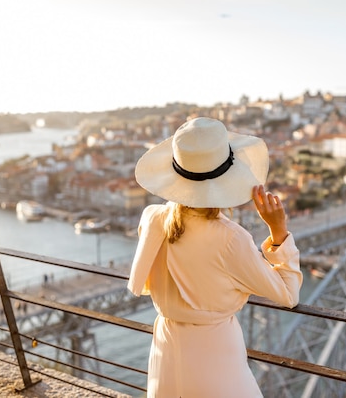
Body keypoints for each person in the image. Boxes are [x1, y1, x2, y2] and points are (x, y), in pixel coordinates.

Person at [128, 117, 302, 397]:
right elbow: (288, 295)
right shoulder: (230, 239)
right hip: (215, 354)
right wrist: (278, 231)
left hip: (166, 348)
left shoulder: (152, 218)